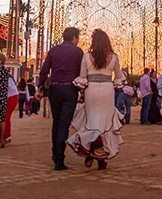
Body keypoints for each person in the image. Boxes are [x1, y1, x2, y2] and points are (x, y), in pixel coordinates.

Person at [67, 29, 124, 170]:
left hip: (91, 90)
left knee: (92, 121)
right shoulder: (114, 57)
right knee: (105, 123)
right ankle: (102, 157)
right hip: (107, 90)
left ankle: (90, 153)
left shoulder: (87, 56)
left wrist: (81, 92)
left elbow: (82, 77)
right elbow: (118, 77)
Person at [37, 27, 83, 171]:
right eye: (78, 37)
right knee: (64, 124)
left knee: (56, 123)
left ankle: (55, 153)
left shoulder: (54, 50)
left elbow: (44, 69)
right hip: (70, 89)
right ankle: (59, 158)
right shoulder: (78, 52)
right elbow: (82, 72)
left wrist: (40, 87)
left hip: (55, 88)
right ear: (74, 37)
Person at [4, 72, 19, 144]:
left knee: (6, 117)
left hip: (11, 97)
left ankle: (7, 136)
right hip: (12, 96)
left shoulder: (5, 76)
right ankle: (6, 135)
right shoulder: (8, 76)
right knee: (6, 117)